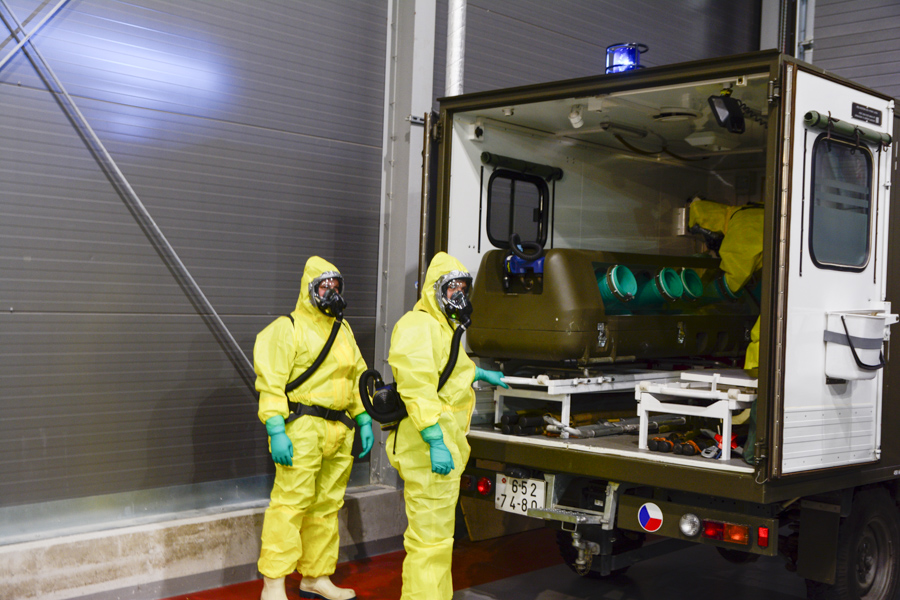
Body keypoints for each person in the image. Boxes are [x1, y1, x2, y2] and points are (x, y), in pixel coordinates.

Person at [386, 252, 507, 600]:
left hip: (443, 444)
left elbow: (450, 366)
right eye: (452, 288)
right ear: (434, 289)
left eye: (463, 288)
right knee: (428, 541)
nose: (459, 295)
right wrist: (434, 438)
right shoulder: (417, 325)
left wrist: (479, 372)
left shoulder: (443, 327)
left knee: (440, 539)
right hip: (426, 446)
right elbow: (417, 386)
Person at [254, 256, 374, 600]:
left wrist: (364, 417)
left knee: (326, 507)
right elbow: (271, 384)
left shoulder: (343, 330)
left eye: (336, 286)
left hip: (339, 429)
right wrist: (276, 428)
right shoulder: (287, 328)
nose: (331, 292)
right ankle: (273, 584)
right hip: (303, 428)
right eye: (324, 286)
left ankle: (315, 577)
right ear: (310, 290)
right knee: (290, 506)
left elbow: (357, 377)